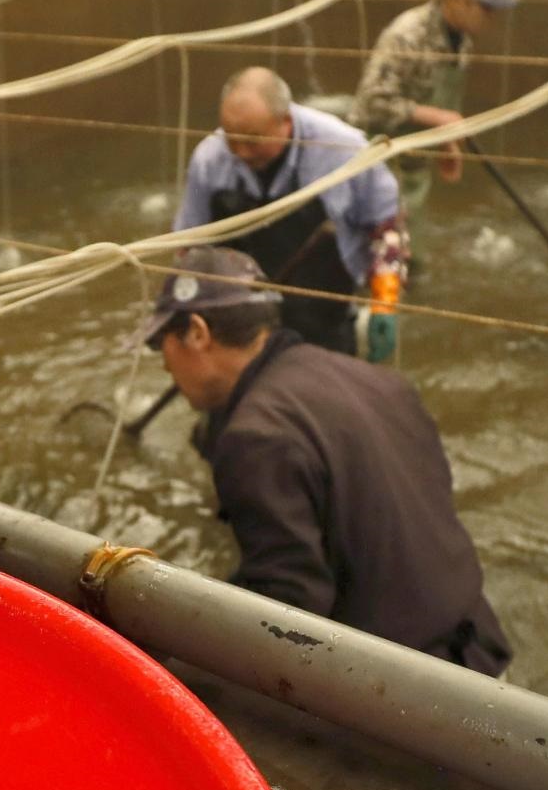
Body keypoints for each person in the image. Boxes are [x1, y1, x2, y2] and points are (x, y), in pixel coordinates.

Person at [136, 247, 510, 675]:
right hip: (482, 646)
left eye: (160, 344)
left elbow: (289, 606)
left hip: (410, 686)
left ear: (197, 333)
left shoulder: (255, 436)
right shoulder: (377, 380)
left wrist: (178, 633)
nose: (165, 367)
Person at [173, 66, 403, 359]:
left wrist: (384, 302)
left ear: (285, 122)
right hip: (238, 322)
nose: (241, 152)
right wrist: (182, 313)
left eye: (252, 140)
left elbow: (386, 229)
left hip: (322, 317)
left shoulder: (344, 150)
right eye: (231, 139)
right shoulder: (210, 159)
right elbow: (189, 247)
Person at [351, 0, 518, 217]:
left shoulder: (461, 42)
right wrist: (439, 118)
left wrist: (447, 142)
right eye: (486, 8)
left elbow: (442, 100)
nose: (490, 16)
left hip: (414, 165)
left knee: (412, 235)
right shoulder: (407, 35)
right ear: (459, 0)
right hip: (375, 162)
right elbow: (373, 102)